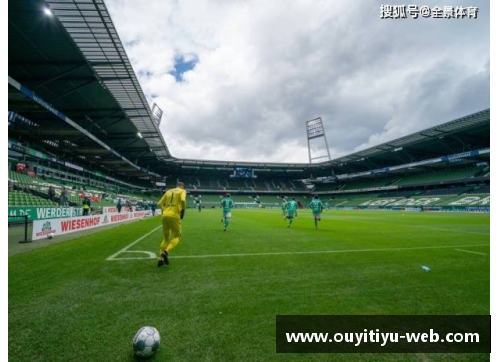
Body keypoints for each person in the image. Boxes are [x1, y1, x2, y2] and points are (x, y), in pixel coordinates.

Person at [157, 182, 186, 267]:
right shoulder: (182, 191)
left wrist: (164, 210)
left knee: (166, 238)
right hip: (174, 215)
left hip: (165, 215)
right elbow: (183, 200)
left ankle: (160, 259)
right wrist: (183, 210)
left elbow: (159, 204)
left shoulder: (168, 191)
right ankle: (166, 252)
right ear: (182, 186)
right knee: (177, 236)